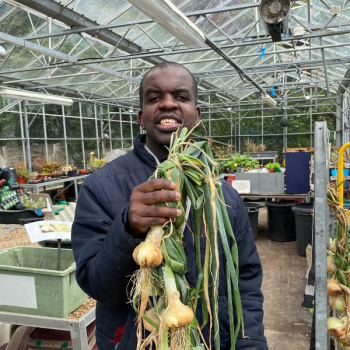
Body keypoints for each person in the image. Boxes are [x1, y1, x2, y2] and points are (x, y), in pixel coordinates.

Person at [72, 62, 268, 350]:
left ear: (196, 115)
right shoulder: (99, 187)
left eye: (181, 96)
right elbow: (99, 288)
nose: (167, 104)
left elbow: (246, 281)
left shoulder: (224, 194)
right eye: (154, 98)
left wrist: (251, 343)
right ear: (141, 117)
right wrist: (128, 229)